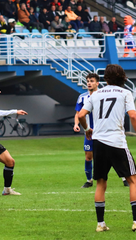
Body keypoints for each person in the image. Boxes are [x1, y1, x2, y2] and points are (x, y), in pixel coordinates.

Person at [78, 64, 136, 232]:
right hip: (116, 141)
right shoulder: (125, 93)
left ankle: (100, 224)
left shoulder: (96, 94)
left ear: (105, 78)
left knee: (101, 183)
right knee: (133, 180)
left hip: (98, 143)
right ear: (122, 77)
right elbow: (132, 114)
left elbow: (81, 115)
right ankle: (135, 221)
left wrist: (87, 129)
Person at [73, 73, 99, 188]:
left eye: (92, 81)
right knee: (88, 156)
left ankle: (124, 177)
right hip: (88, 132)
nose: (89, 83)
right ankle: (89, 180)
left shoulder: (102, 95)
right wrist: (76, 124)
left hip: (102, 131)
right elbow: (78, 114)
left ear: (97, 83)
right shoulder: (82, 97)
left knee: (109, 155)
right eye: (88, 81)